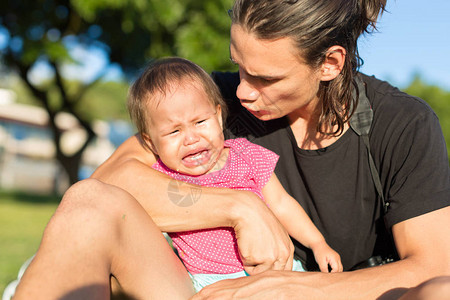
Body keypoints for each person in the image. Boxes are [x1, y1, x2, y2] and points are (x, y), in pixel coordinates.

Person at [13, 0, 450, 299]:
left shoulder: (402, 124)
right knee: (88, 206)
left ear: (329, 64)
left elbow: (433, 267)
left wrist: (292, 289)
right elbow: (108, 184)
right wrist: (240, 207)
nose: (241, 91)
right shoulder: (213, 104)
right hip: (205, 288)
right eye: (238, 66)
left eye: (265, 78)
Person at [127, 57, 342, 291]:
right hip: (210, 282)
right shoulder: (159, 177)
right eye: (174, 131)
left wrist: (318, 243)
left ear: (218, 117)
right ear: (151, 142)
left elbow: (281, 204)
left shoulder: (246, 155)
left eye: (200, 122)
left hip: (276, 267)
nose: (191, 138)